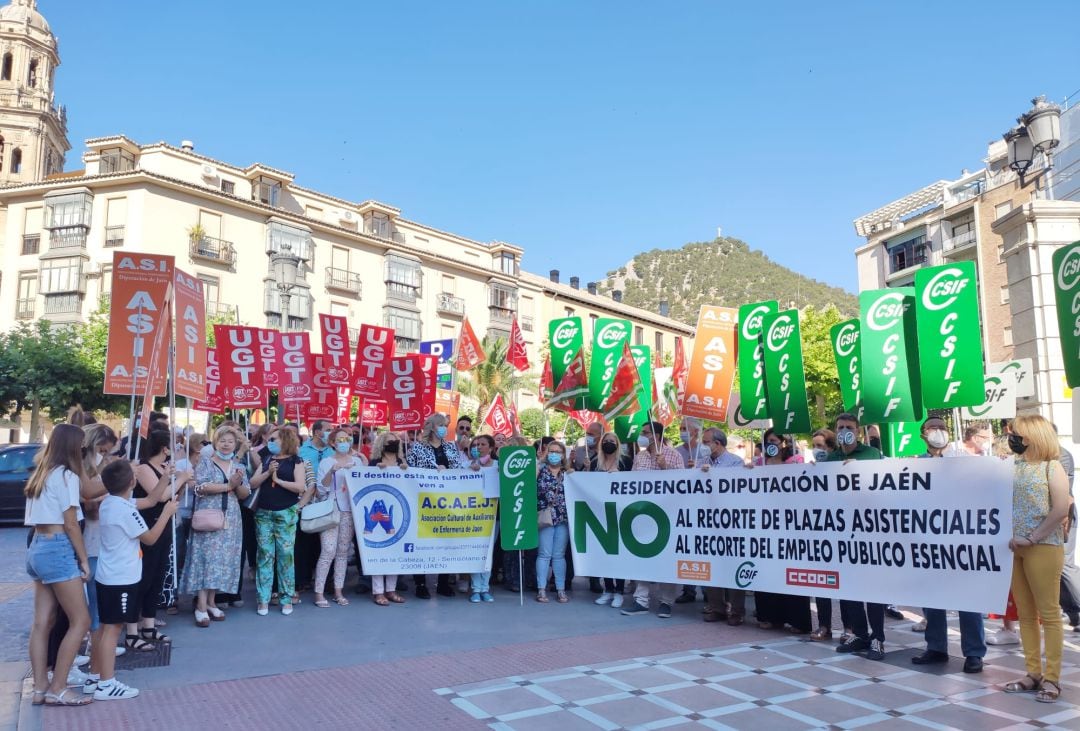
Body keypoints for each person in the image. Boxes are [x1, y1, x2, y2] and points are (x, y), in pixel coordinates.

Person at [86, 461, 178, 700]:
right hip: (121, 578)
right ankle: (107, 684)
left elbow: (149, 500)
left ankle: (95, 677)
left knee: (105, 628)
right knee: (112, 630)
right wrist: (167, 514)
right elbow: (149, 538)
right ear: (132, 482)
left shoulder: (111, 502)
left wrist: (165, 479)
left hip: (110, 575)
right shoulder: (124, 510)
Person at [1002, 415, 1070, 703]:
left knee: (1049, 613)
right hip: (1013, 548)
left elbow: (1060, 510)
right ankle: (1033, 673)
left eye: (1016, 433)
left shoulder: (1050, 467)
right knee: (1026, 615)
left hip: (1043, 547)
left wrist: (1033, 537)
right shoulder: (1011, 467)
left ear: (1031, 435)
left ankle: (1052, 679)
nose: (1011, 437)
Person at [910, 416, 986, 674]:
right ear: (923, 434)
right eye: (933, 428)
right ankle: (936, 647)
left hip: (960, 540)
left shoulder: (965, 462)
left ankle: (974, 652)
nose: (938, 432)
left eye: (942, 427)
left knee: (967, 599)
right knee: (932, 597)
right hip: (928, 542)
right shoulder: (914, 464)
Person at [24, 424, 93, 707]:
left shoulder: (41, 473)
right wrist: (84, 559)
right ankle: (59, 687)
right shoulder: (67, 476)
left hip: (38, 546)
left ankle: (41, 687)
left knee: (42, 622)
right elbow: (71, 524)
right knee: (81, 620)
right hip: (58, 546)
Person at [828, 413, 887, 661]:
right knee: (849, 586)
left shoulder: (871, 455)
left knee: (872, 587)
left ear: (858, 431)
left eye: (849, 427)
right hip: (842, 530)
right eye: (840, 428)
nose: (844, 431)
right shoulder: (831, 458)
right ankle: (860, 634)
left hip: (869, 529)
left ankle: (878, 638)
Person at [181, 425, 249, 627]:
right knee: (206, 559)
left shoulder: (239, 467)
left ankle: (211, 602)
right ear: (215, 442)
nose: (226, 445)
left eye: (230, 441)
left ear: (236, 444)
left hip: (231, 518)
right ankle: (200, 606)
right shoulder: (206, 463)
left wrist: (238, 484)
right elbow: (200, 487)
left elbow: (245, 494)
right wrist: (228, 486)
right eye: (222, 441)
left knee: (222, 560)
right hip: (209, 515)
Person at [622, 421, 685, 618]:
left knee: (667, 559)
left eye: (646, 432)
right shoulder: (639, 456)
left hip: (667, 515)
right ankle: (641, 600)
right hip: (643, 514)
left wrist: (665, 468)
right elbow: (632, 482)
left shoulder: (673, 455)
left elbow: (684, 483)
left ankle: (666, 601)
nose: (642, 435)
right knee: (642, 554)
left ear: (657, 436)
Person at [127, 430, 184, 651]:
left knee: (157, 576)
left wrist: (179, 480)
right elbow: (158, 496)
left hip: (165, 525)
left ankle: (149, 624)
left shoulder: (164, 468)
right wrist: (180, 480)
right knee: (143, 577)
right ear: (164, 448)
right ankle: (133, 629)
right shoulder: (143, 468)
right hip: (149, 525)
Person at [751, 429, 811, 635]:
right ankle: (768, 616)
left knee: (791, 572)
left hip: (791, 526)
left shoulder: (795, 461)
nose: (770, 444)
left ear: (783, 443)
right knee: (767, 571)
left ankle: (797, 620)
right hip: (765, 525)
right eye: (767, 441)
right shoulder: (759, 464)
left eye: (774, 441)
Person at [250, 427, 313, 616]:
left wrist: (278, 480)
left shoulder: (297, 461)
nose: (270, 442)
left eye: (274, 439)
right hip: (263, 513)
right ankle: (263, 599)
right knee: (264, 556)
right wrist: (268, 473)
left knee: (286, 556)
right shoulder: (267, 459)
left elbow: (300, 487)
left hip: (286, 512)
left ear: (285, 441)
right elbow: (253, 483)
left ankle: (286, 598)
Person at [407, 413, 466, 598]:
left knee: (445, 542)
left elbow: (458, 470)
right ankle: (421, 584)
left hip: (446, 502)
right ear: (432, 426)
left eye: (446, 426)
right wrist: (433, 471)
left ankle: (443, 582)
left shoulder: (450, 447)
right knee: (424, 542)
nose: (444, 429)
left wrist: (449, 471)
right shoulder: (417, 448)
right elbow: (411, 471)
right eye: (441, 425)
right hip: (425, 502)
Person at [700, 427, 752, 625]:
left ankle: (737, 611)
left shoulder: (735, 463)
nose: (703, 446)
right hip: (708, 521)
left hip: (731, 521)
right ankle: (716, 608)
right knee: (713, 565)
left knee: (732, 565)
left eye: (706, 442)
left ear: (718, 443)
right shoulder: (702, 463)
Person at [314, 428, 366, 608]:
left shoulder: (357, 461)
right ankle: (319, 592)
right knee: (328, 550)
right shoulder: (326, 462)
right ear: (332, 443)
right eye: (340, 439)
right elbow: (321, 489)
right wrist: (333, 471)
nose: (344, 442)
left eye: (347, 438)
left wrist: (364, 463)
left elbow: (364, 485)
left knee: (343, 552)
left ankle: (338, 591)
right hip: (331, 509)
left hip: (350, 511)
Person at [808, 428, 843, 641]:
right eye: (814, 446)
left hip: (840, 533)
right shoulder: (811, 470)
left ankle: (850, 628)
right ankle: (824, 626)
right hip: (819, 534)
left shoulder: (841, 466)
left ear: (830, 447)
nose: (816, 450)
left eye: (820, 446)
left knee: (845, 584)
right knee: (821, 583)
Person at [591, 431, 631, 608]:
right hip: (600, 514)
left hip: (621, 514)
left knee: (619, 554)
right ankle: (608, 589)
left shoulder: (626, 462)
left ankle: (619, 591)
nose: (608, 443)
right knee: (604, 553)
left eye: (612, 441)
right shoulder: (594, 462)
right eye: (605, 441)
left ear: (618, 443)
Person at [296, 421, 332, 595]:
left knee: (325, 542)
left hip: (327, 500)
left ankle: (325, 580)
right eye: (328, 430)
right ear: (318, 432)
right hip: (307, 500)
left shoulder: (332, 451)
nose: (331, 433)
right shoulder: (302, 450)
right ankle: (303, 579)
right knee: (305, 540)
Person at [535, 440, 571, 603]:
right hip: (545, 517)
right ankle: (541, 589)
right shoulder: (540, 470)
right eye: (551, 451)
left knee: (559, 556)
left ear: (563, 455)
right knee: (544, 554)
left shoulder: (568, 473)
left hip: (563, 519)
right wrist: (538, 463)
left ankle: (560, 589)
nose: (554, 454)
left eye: (558, 452)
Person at [467, 434, 498, 603]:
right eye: (476, 444)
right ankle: (476, 589)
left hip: (493, 517)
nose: (478, 447)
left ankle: (485, 588)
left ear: (491, 448)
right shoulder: (468, 466)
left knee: (488, 553)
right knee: (475, 550)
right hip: (473, 517)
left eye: (483, 444)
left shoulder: (499, 466)